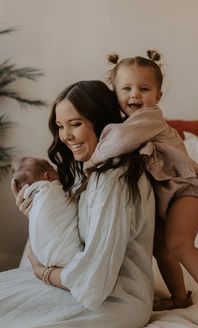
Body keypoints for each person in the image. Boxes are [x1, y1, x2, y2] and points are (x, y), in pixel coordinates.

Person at [86, 51, 198, 328]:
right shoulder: (127, 123)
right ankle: (180, 297)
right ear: (114, 93)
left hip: (185, 189)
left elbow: (117, 143)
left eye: (144, 89)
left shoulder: (148, 118)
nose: (136, 95)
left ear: (158, 95)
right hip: (168, 194)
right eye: (126, 88)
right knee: (160, 248)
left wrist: (90, 162)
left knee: (179, 244)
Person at [0, 80, 155, 328]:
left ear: (101, 121)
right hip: (74, 287)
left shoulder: (114, 180)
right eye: (61, 126)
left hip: (115, 301)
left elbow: (94, 279)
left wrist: (42, 272)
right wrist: (38, 214)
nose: (66, 136)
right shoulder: (87, 171)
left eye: (76, 124)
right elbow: (72, 234)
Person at [12, 156, 79, 268]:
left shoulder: (32, 197)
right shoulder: (51, 188)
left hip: (41, 257)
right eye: (53, 169)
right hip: (68, 256)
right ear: (47, 176)